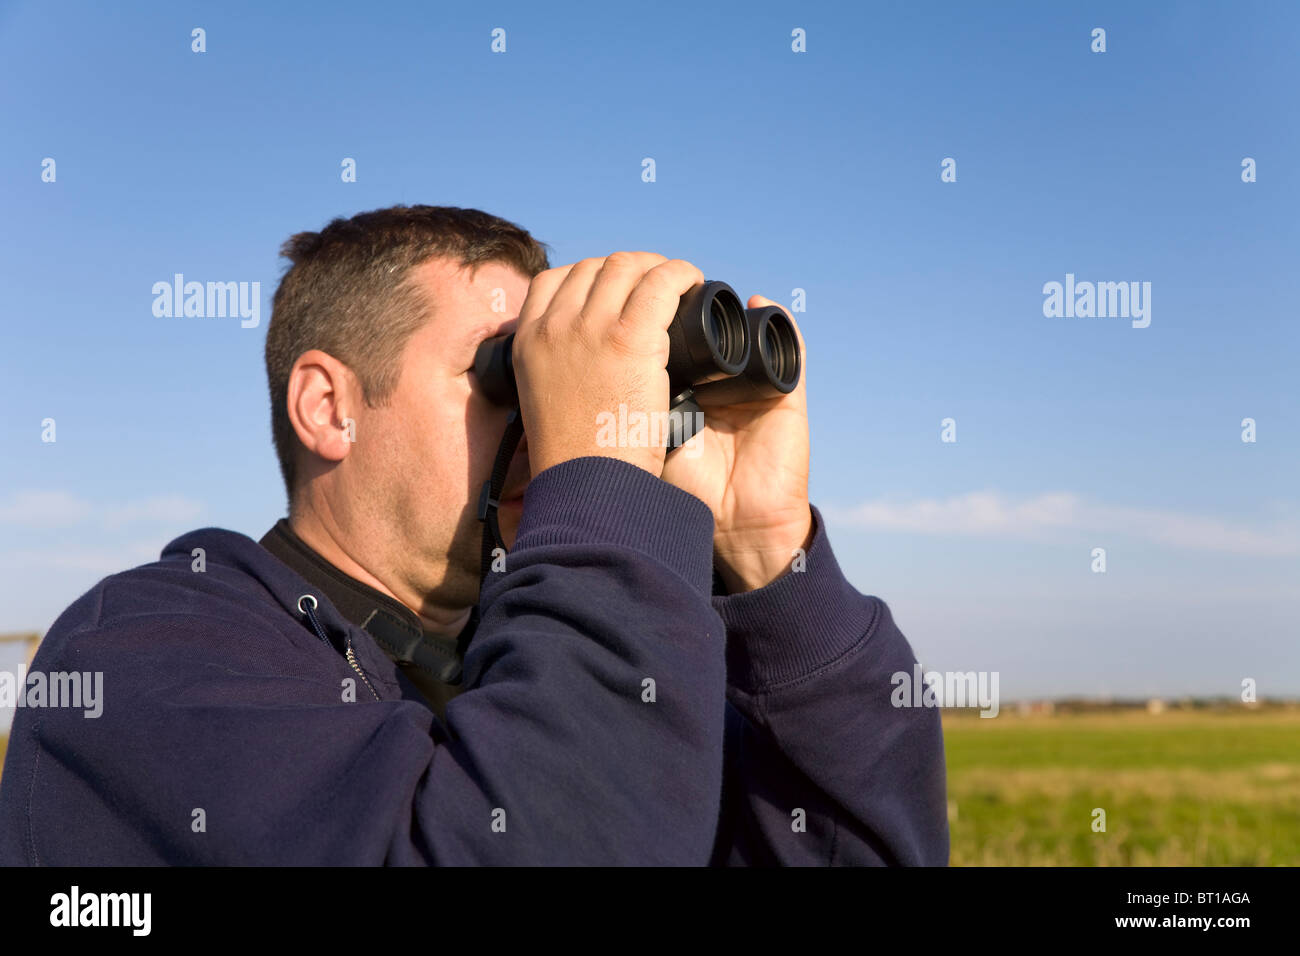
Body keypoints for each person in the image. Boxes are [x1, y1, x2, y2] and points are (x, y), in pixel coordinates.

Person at [0, 205, 948, 865]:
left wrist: (770, 570)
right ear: (330, 407)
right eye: (508, 375)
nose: (544, 417)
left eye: (548, 374)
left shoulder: (542, 665)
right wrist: (607, 493)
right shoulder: (146, 652)